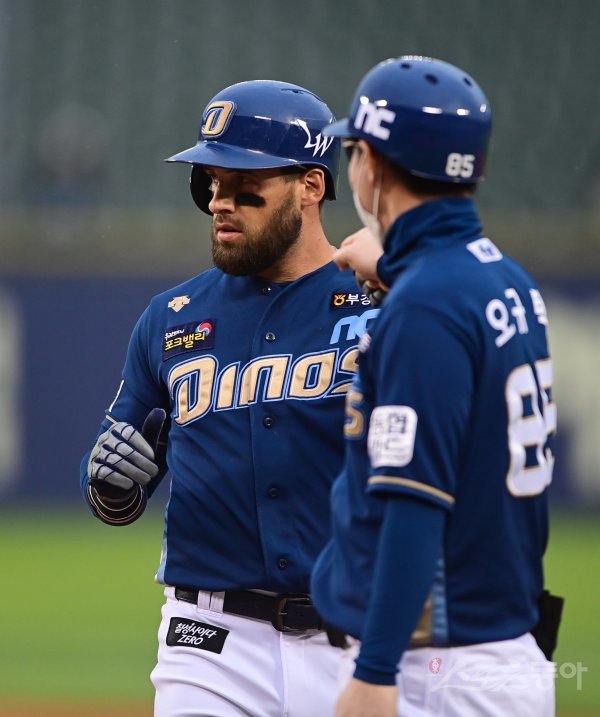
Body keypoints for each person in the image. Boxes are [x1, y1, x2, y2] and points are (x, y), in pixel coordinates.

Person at [80, 79, 380, 717]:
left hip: (358, 635)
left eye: (246, 186)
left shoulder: (378, 304)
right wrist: (111, 484)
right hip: (209, 641)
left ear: (310, 186)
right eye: (211, 183)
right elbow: (116, 481)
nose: (221, 202)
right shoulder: (171, 317)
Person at [310, 56, 560, 717]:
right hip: (501, 648)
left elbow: (415, 501)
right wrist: (400, 265)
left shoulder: (426, 305)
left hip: (434, 667)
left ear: (374, 165)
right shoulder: (506, 279)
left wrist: (374, 672)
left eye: (353, 151)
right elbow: (449, 294)